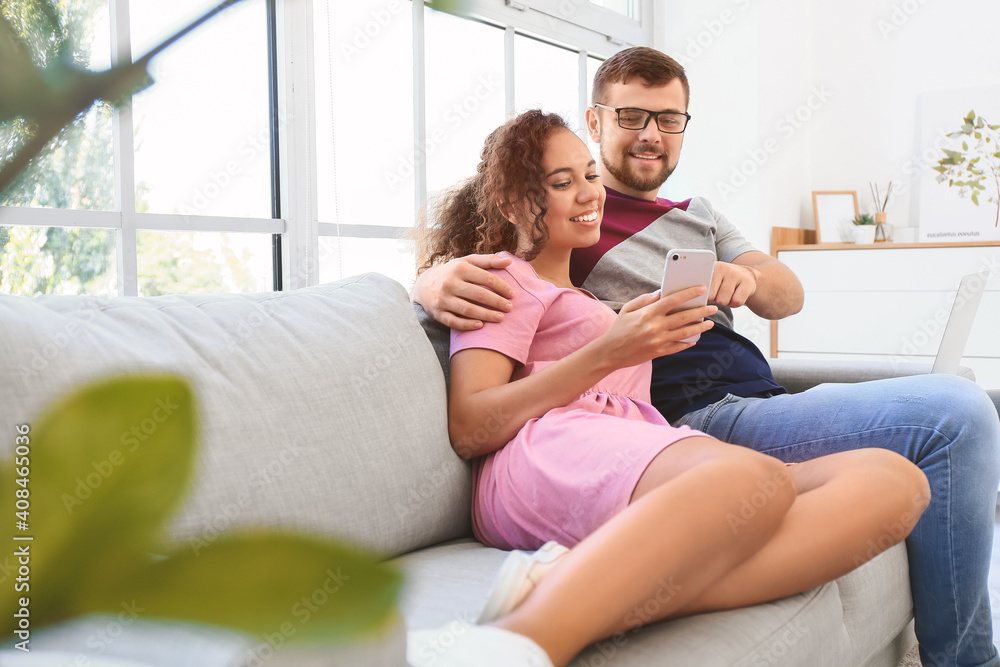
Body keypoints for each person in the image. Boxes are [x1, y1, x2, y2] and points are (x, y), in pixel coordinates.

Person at [411, 48, 1000, 667]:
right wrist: (435, 277)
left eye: (669, 120)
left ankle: (577, 595)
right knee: (957, 411)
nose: (650, 135)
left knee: (893, 485)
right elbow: (493, 252)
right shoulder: (555, 241)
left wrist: (741, 276)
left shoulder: (696, 217)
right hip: (687, 413)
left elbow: (786, 295)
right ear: (597, 119)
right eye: (633, 116)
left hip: (719, 408)